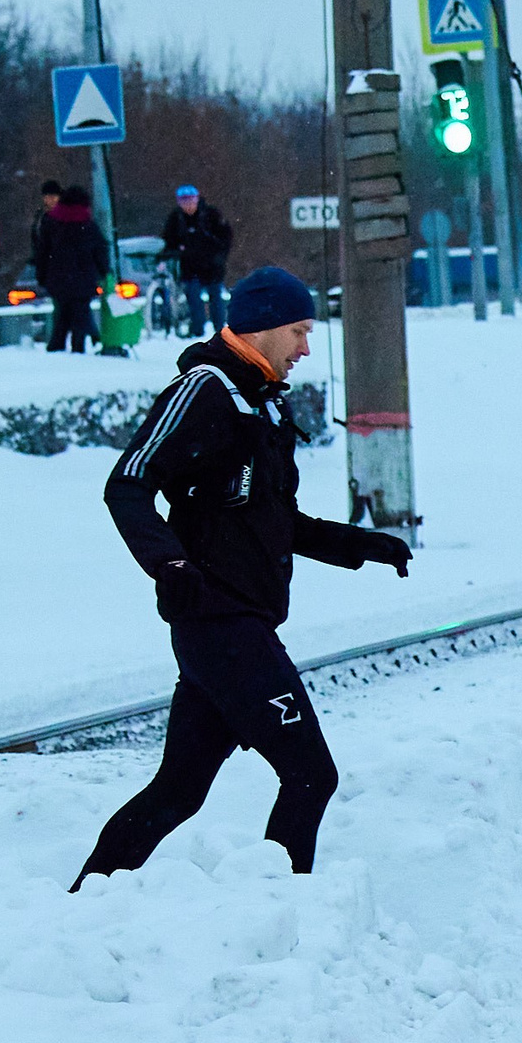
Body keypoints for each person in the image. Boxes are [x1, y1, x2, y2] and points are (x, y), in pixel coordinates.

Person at [73, 266, 413, 889]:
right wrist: (168, 564)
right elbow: (126, 485)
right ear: (259, 328)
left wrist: (358, 543)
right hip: (220, 625)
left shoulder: (262, 403)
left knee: (178, 792)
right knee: (312, 775)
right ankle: (282, 909)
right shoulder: (203, 390)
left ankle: (85, 900)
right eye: (299, 331)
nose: (307, 348)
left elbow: (275, 519)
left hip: (236, 624)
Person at [36, 185, 109, 355]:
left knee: (61, 315)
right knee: (80, 316)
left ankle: (56, 346)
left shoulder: (51, 222)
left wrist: (42, 276)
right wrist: (104, 272)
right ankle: (78, 348)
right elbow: (100, 251)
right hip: (83, 279)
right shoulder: (88, 224)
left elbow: (42, 253)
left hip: (58, 278)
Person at [160, 184, 234, 334]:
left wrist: (219, 256)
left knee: (216, 299)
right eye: (184, 201)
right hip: (190, 266)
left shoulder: (211, 215)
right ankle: (197, 328)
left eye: (190, 200)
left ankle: (220, 329)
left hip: (212, 265)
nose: (188, 205)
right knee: (193, 297)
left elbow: (225, 236)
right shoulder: (176, 219)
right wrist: (172, 252)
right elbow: (169, 240)